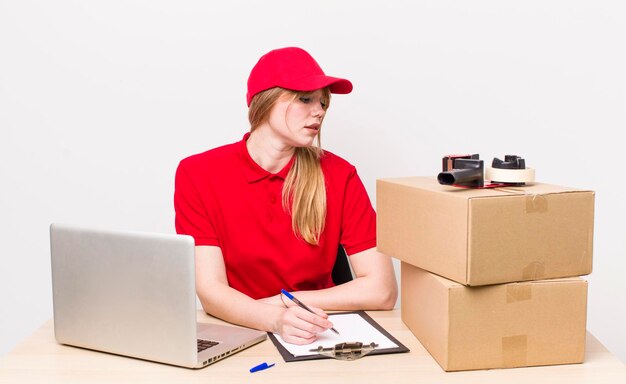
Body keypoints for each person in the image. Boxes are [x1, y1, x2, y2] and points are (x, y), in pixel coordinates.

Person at [174, 47, 397, 345]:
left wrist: (284, 302)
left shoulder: (339, 174)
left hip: (318, 330)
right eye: (305, 99)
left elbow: (382, 290)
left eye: (323, 102)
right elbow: (211, 291)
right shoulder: (198, 173)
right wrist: (274, 319)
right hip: (239, 331)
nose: (319, 111)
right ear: (265, 101)